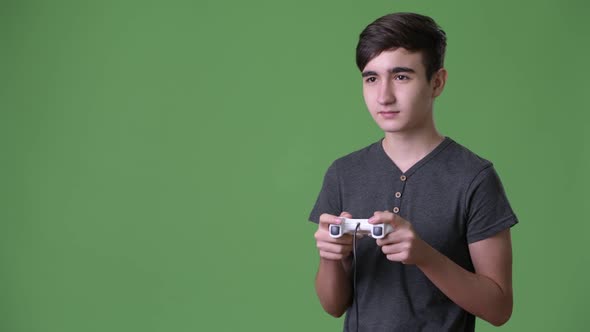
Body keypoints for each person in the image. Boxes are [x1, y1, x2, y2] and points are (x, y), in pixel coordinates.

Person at [308, 12, 518, 332]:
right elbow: (333, 305)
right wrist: (331, 257)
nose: (384, 96)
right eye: (371, 78)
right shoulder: (342, 173)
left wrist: (424, 255)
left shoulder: (475, 178)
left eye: (402, 76)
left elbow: (499, 308)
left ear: (437, 82)